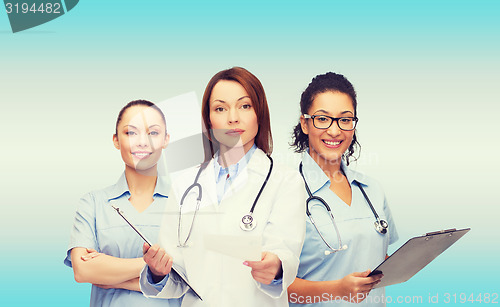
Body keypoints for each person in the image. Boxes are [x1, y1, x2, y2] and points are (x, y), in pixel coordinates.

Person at [139, 67, 306, 307]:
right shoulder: (185, 185)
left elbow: (286, 254)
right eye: (220, 108)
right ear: (208, 120)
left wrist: (276, 268)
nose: (232, 118)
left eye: (244, 106)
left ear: (260, 113)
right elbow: (177, 277)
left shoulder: (285, 180)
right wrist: (157, 272)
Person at [287, 72, 398, 306]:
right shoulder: (285, 192)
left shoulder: (372, 190)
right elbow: (274, 285)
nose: (335, 131)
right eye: (323, 119)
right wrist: (337, 290)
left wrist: (413, 258)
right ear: (305, 124)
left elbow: (379, 258)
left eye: (345, 119)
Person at [64, 100, 180, 307]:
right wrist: (152, 266)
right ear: (116, 140)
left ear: (166, 139)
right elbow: (82, 271)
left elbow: (191, 276)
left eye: (153, 133)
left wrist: (109, 273)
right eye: (131, 133)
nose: (142, 142)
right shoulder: (93, 203)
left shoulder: (184, 204)